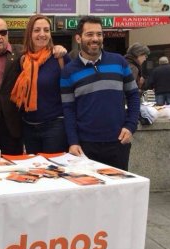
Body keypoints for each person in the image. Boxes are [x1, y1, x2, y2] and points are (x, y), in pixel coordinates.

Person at [0, 17, 67, 155]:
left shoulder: (22, 54)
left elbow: (42, 52)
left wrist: (57, 47)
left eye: (3, 32)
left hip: (14, 126)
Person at [60, 16, 140, 170]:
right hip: (85, 146)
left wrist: (130, 126)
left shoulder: (119, 62)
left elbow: (133, 95)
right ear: (78, 38)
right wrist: (73, 141)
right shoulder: (68, 72)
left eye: (99, 34)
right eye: (89, 34)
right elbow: (68, 110)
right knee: (88, 192)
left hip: (118, 142)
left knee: (118, 191)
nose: (95, 38)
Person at [11, 14, 70, 154]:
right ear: (29, 33)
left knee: (52, 172)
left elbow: (72, 92)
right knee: (34, 172)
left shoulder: (59, 57)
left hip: (54, 127)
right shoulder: (23, 60)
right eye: (37, 30)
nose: (42, 34)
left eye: (46, 30)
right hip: (29, 127)